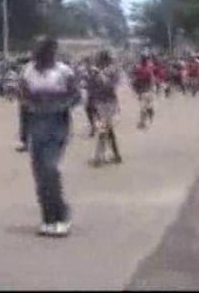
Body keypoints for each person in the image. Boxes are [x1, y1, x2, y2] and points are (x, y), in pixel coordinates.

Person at [19, 36, 81, 237]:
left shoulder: (63, 72)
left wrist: (57, 103)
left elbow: (76, 96)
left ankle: (61, 215)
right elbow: (23, 100)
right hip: (36, 123)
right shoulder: (27, 71)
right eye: (37, 49)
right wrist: (23, 133)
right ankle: (47, 218)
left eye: (44, 49)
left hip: (57, 123)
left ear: (52, 51)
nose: (39, 53)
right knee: (39, 174)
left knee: (50, 169)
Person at [88, 51, 122, 166]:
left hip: (106, 103)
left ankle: (98, 157)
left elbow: (109, 86)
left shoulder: (109, 72)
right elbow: (91, 87)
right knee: (108, 129)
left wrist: (100, 75)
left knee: (103, 129)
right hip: (103, 103)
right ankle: (116, 155)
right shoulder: (96, 72)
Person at [132, 55, 155, 129]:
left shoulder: (139, 69)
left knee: (143, 108)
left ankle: (143, 122)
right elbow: (151, 80)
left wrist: (136, 91)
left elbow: (134, 80)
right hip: (148, 91)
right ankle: (148, 120)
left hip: (143, 91)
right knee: (148, 107)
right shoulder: (148, 69)